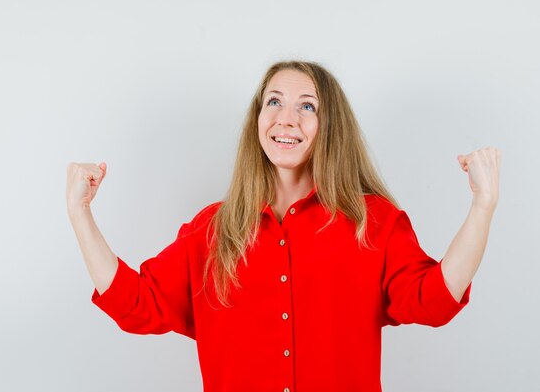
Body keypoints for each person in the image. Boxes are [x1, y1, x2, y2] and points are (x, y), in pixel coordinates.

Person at [66, 61, 501, 392]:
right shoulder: (213, 230)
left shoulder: (374, 223)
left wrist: (482, 206)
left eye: (306, 106)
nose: (285, 118)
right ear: (258, 119)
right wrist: (80, 213)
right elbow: (137, 303)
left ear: (330, 126)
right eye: (273, 101)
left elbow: (434, 300)